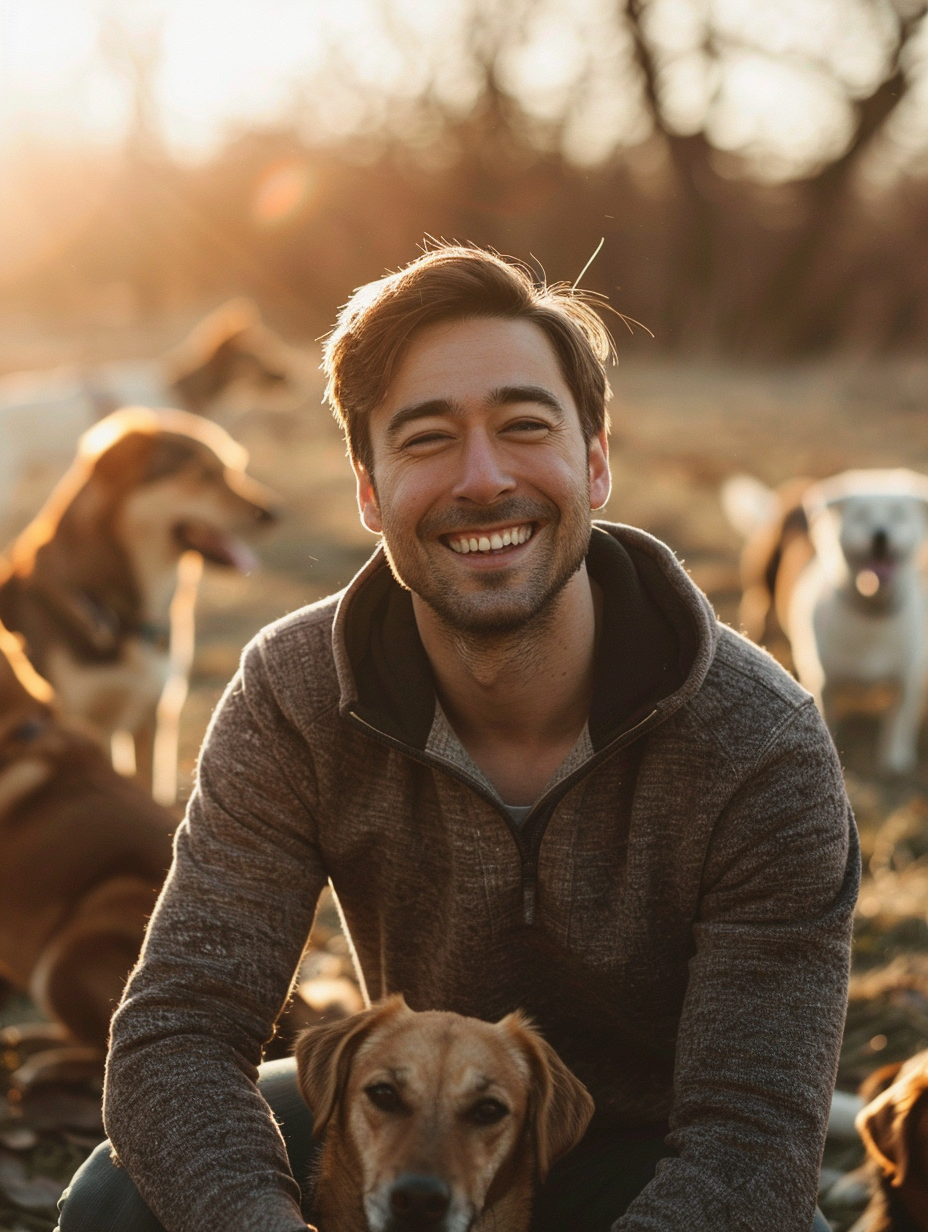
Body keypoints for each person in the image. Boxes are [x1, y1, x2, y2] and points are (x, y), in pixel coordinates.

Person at [57, 245, 857, 1232]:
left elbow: (751, 1142)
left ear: (595, 460)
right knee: (117, 1196)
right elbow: (179, 1028)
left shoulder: (761, 744)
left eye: (524, 426)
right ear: (367, 486)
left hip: (650, 1164)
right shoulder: (292, 693)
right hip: (398, 1128)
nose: (482, 480)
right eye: (425, 438)